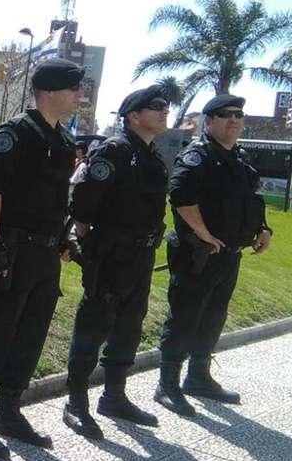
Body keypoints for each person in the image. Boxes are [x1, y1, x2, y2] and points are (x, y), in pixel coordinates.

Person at [0, 59, 84, 454]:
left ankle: (9, 410)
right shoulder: (15, 134)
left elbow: (57, 198)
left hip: (45, 252)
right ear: (49, 91)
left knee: (31, 333)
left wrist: (64, 238)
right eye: (74, 88)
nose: (79, 95)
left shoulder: (63, 140)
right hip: (11, 247)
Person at [61, 85, 170, 440]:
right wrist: (90, 247)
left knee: (129, 325)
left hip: (140, 255)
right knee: (94, 324)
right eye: (156, 106)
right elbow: (82, 205)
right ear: (133, 116)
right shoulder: (114, 150)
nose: (164, 111)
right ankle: (76, 401)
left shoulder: (151, 156)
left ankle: (114, 396)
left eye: (165, 106)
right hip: (111, 255)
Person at [155, 93, 271, 415]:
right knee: (185, 316)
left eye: (238, 115)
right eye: (225, 115)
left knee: (213, 316)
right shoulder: (198, 155)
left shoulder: (240, 158)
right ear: (209, 121)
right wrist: (203, 232)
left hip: (229, 254)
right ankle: (167, 384)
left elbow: (253, 199)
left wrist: (263, 229)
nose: (233, 120)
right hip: (198, 253)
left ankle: (198, 377)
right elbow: (180, 195)